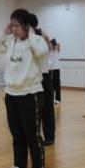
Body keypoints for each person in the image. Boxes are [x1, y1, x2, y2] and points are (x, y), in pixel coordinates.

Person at [0, 9, 49, 168]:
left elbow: (42, 53)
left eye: (17, 26)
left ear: (26, 26)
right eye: (12, 25)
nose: (14, 29)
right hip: (11, 94)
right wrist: (4, 33)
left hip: (30, 94)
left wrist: (30, 34)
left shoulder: (37, 40)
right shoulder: (10, 41)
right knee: (17, 136)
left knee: (33, 137)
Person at [30, 13, 54, 146]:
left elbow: (49, 48)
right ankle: (41, 137)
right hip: (39, 75)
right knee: (40, 109)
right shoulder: (40, 33)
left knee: (43, 109)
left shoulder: (38, 34)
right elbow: (49, 48)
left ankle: (47, 137)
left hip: (41, 76)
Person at [49, 39, 62, 105]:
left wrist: (55, 45)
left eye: (54, 45)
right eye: (53, 45)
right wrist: (50, 45)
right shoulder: (49, 51)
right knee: (51, 85)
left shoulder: (57, 50)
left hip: (56, 69)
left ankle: (58, 99)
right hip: (50, 70)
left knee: (57, 85)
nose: (54, 47)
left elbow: (59, 44)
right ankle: (51, 99)